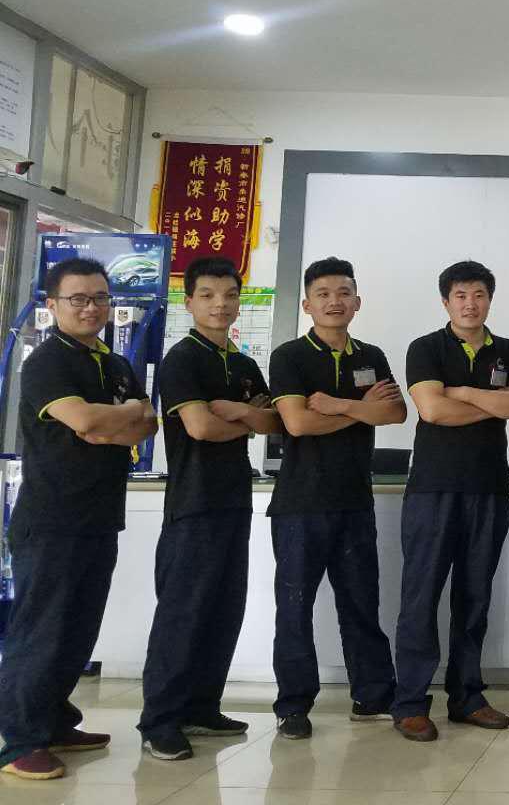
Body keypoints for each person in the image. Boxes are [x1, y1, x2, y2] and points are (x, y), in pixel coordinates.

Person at [0, 258, 157, 781]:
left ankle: (53, 719)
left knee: (78, 629)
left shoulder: (115, 364)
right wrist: (118, 418)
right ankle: (19, 740)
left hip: (99, 516)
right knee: (42, 630)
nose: (91, 308)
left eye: (100, 298)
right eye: (79, 299)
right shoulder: (48, 362)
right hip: (51, 519)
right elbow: (88, 421)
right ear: (53, 305)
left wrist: (114, 423)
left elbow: (147, 425)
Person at [138, 255, 281, 761]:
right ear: (190, 301)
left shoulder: (243, 365)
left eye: (229, 295)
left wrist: (237, 413)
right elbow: (199, 428)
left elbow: (275, 422)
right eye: (208, 295)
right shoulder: (183, 360)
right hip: (193, 504)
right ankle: (160, 720)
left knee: (223, 607)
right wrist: (247, 420)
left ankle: (201, 706)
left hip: (233, 501)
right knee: (184, 611)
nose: (221, 304)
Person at [392, 261, 509, 742]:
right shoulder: (426, 348)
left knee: (475, 597)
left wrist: (464, 393)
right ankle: (411, 703)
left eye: (478, 295)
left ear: (489, 299)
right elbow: (432, 409)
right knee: (421, 596)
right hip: (433, 489)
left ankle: (467, 696)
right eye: (460, 295)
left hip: (488, 488)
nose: (470, 304)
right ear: (446, 301)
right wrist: (491, 403)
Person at [267, 257, 405, 739]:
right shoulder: (289, 356)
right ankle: (293, 705)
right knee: (295, 607)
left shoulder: (371, 355)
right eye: (323, 294)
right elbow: (297, 423)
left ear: (357, 302)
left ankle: (372, 696)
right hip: (300, 505)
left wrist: (341, 406)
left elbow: (395, 415)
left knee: (362, 604)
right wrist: (363, 411)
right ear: (307, 305)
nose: (334, 301)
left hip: (354, 501)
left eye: (344, 292)